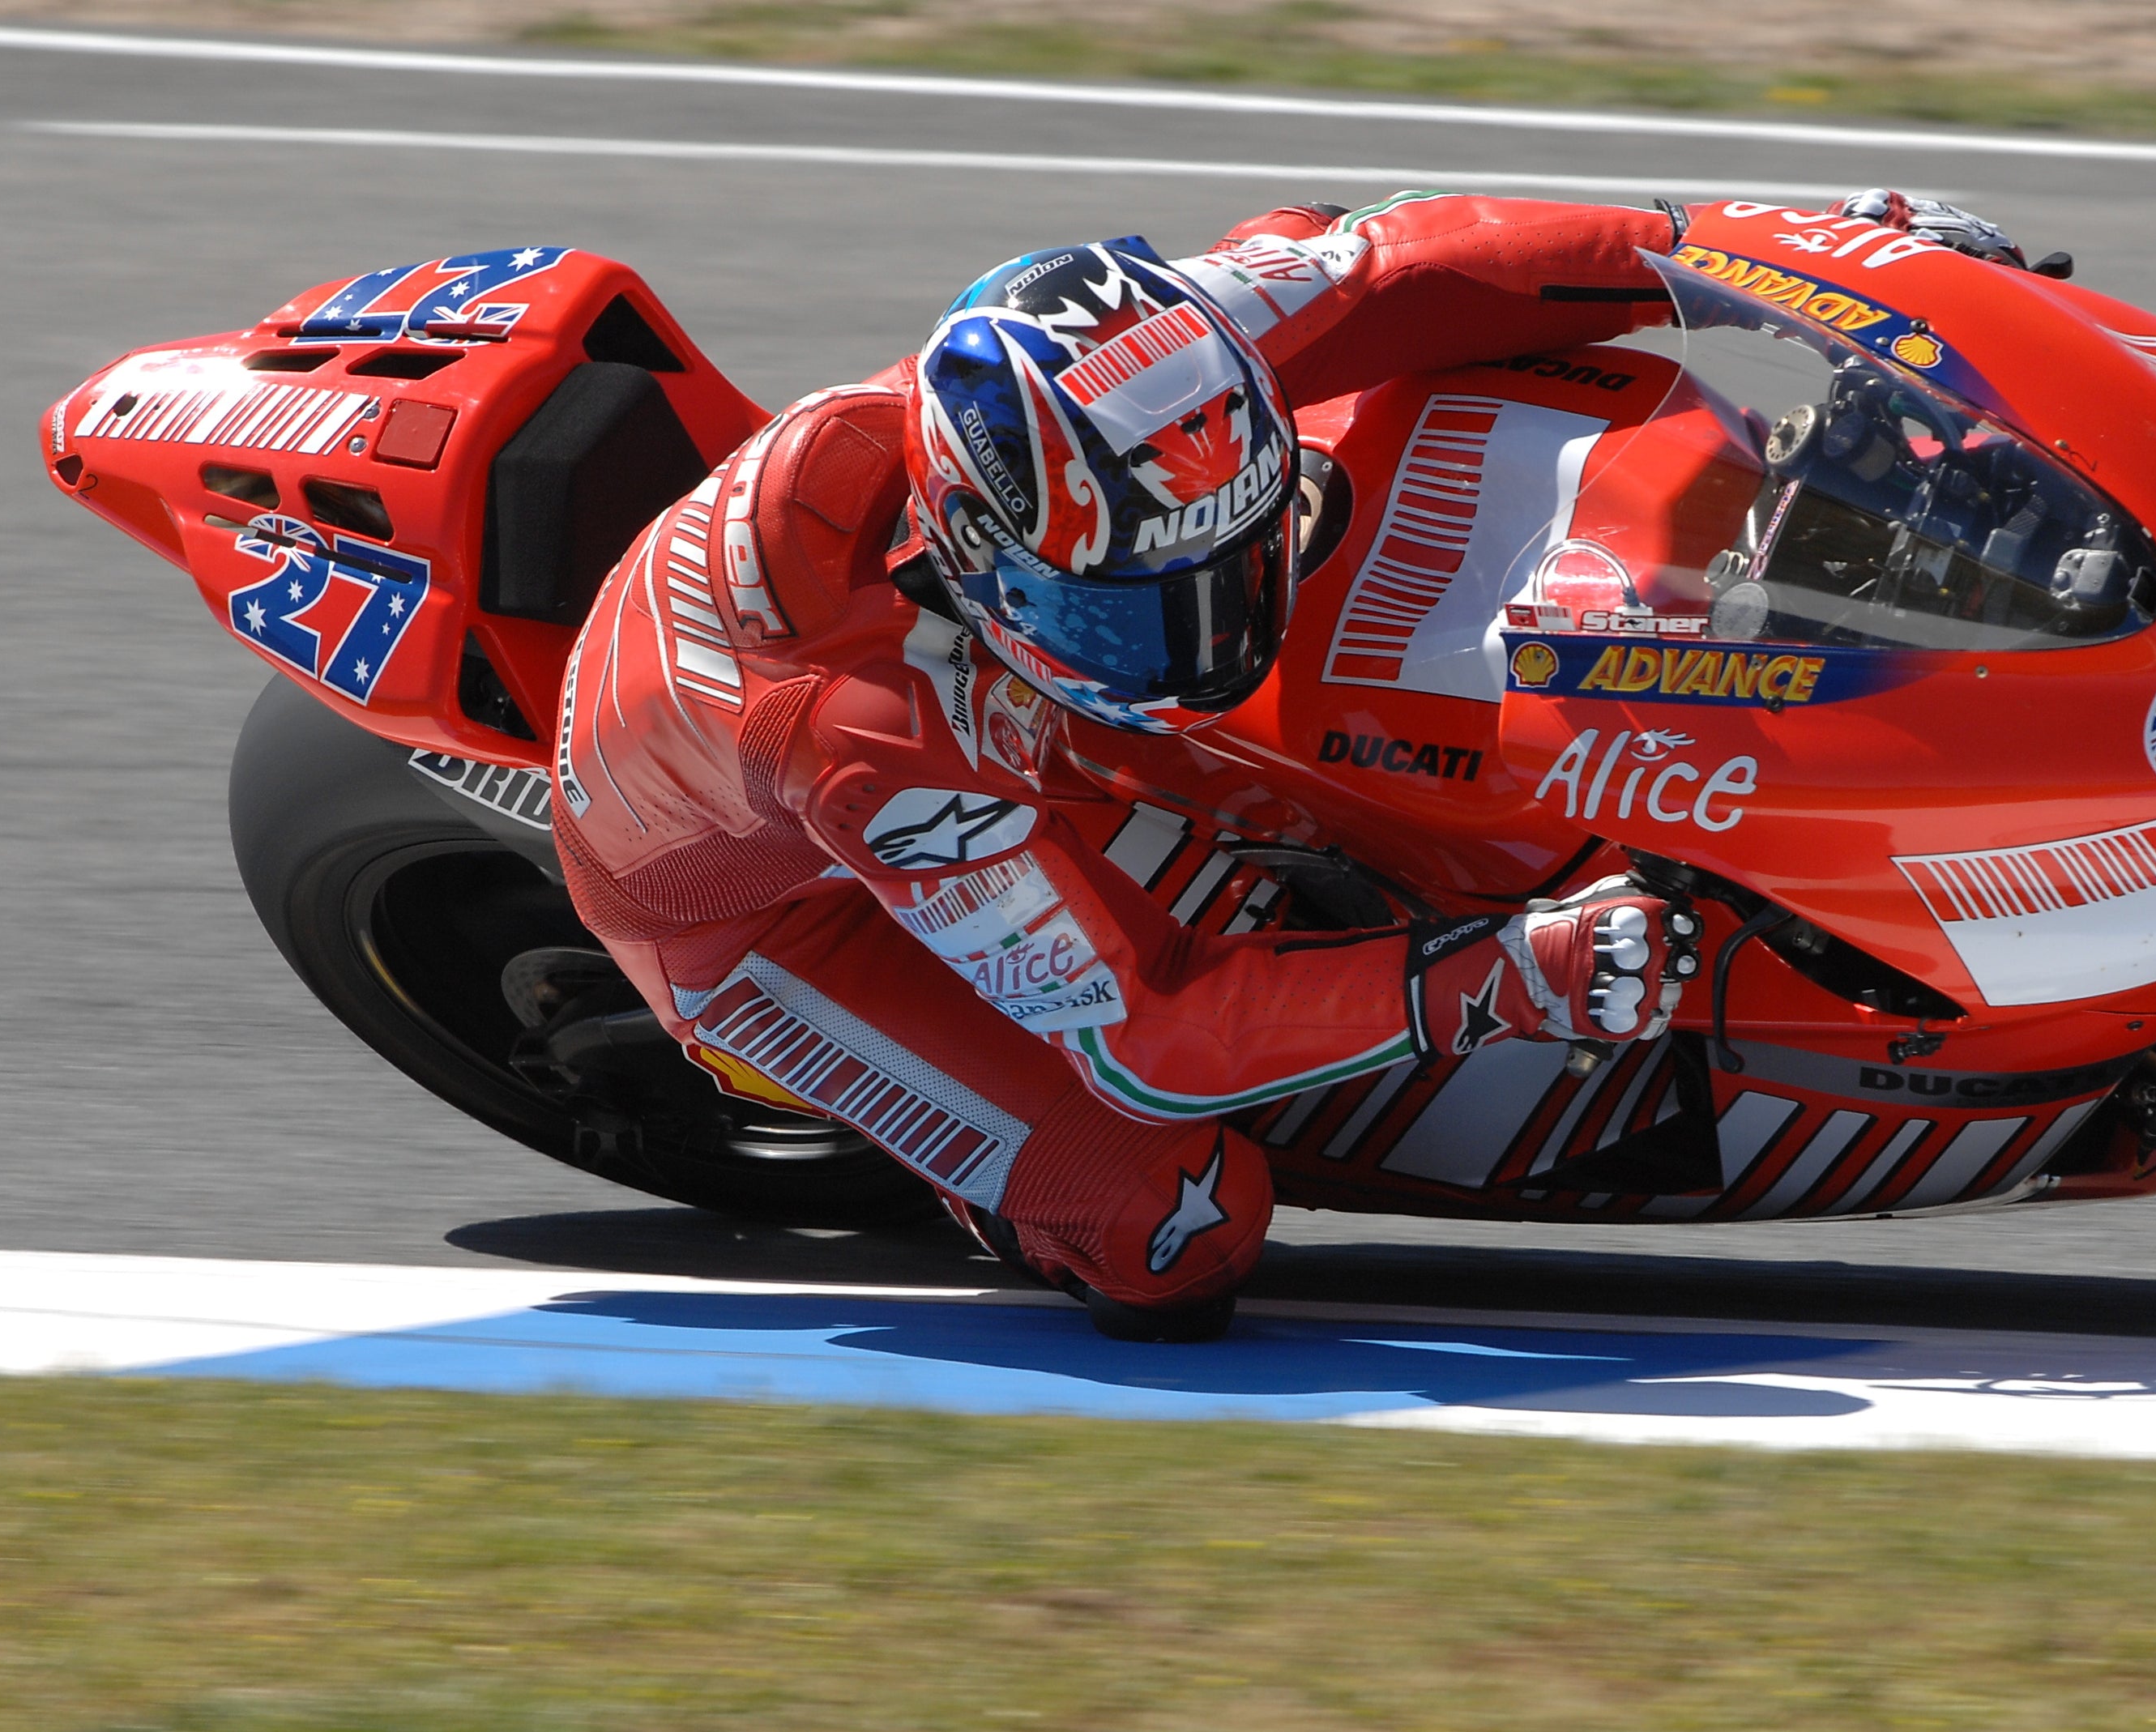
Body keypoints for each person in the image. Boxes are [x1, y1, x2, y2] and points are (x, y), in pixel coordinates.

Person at [548, 192, 1753, 1341]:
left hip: (921, 704)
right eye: (1134, 612)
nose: (1214, 640)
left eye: (1236, 568)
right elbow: (1154, 1035)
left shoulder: (1126, 365)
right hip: (772, 918)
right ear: (981, 555)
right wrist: (1505, 979)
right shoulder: (878, 741)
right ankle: (1002, 1189)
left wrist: (1723, 249)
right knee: (1178, 1227)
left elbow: (1389, 265)